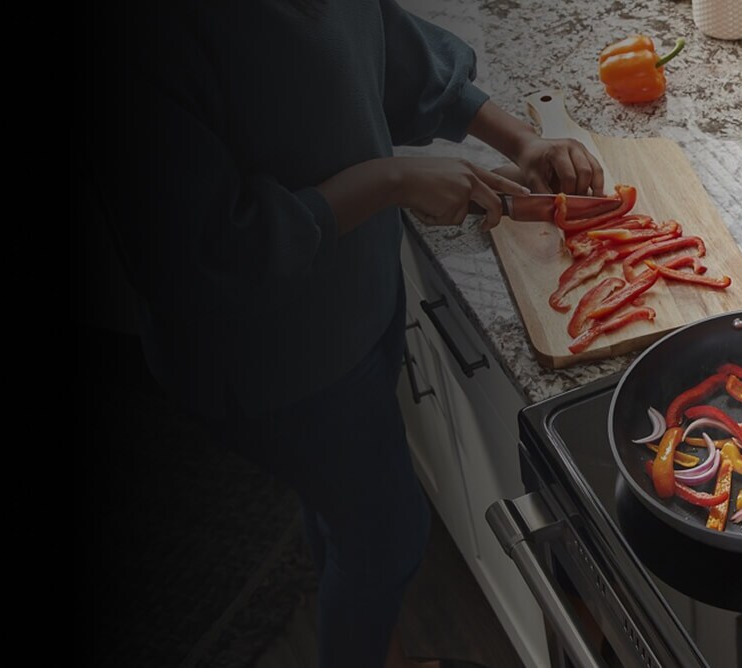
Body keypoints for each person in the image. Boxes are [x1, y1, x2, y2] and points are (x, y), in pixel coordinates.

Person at [74, 0, 605, 666]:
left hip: (359, 303)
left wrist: (522, 141)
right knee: (385, 540)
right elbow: (205, 255)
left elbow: (383, 44)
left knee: (344, 514)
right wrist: (391, 180)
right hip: (270, 361)